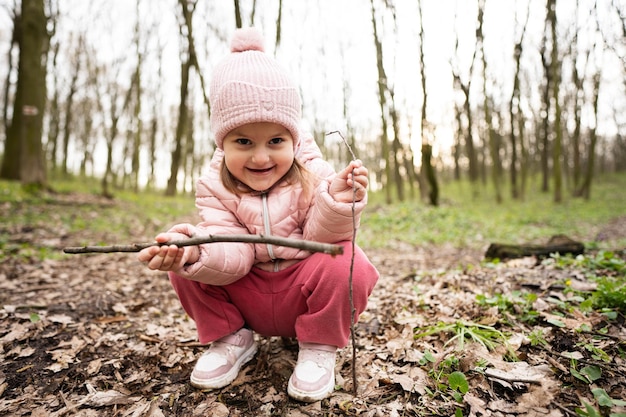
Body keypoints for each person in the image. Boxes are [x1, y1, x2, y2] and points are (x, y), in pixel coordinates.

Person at [138, 27, 379, 403]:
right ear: (222, 141)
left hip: (301, 291)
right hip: (246, 294)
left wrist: (339, 201)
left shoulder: (315, 175)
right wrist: (194, 252)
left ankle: (318, 345)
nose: (262, 157)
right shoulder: (214, 185)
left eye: (276, 141)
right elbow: (233, 255)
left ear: (294, 139)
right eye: (244, 142)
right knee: (185, 250)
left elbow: (325, 238)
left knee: (351, 260)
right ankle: (230, 339)